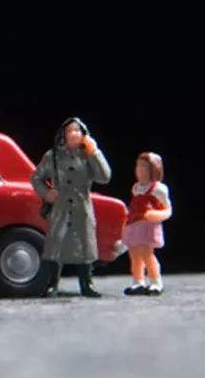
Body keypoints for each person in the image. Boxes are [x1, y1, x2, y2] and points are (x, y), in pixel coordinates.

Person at [30, 117, 112, 298]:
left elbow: (105, 177)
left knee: (85, 245)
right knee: (55, 245)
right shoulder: (52, 156)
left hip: (82, 206)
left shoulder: (87, 155)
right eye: (70, 131)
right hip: (60, 207)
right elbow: (36, 178)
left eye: (77, 130)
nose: (74, 134)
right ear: (63, 135)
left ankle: (87, 284)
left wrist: (95, 152)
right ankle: (52, 284)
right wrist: (46, 193)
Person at [122, 152, 172, 296]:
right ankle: (138, 281)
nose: (139, 169)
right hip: (133, 224)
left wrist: (155, 215)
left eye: (144, 166)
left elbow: (168, 210)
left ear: (153, 169)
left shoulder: (159, 189)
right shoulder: (136, 188)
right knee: (134, 254)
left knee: (146, 253)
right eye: (138, 166)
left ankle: (155, 281)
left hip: (148, 226)